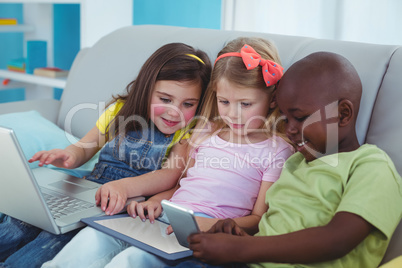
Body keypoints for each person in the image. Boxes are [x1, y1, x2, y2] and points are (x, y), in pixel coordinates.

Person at [42, 37, 295, 268]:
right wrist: (155, 202)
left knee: (132, 260)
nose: (232, 114)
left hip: (206, 230)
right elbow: (183, 182)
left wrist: (212, 225)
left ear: (272, 100)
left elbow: (259, 218)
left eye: (246, 104)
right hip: (168, 215)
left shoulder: (276, 150)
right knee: (94, 238)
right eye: (224, 101)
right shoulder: (205, 131)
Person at [181, 51, 402, 268]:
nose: (291, 130)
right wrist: (237, 236)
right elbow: (273, 228)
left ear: (343, 114)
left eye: (301, 117)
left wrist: (239, 248)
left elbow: (338, 239)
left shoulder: (371, 165)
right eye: (286, 119)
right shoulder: (295, 163)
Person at [0, 42, 212, 268]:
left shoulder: (187, 131)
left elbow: (171, 174)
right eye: (165, 99)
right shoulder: (120, 110)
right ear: (147, 88)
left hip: (123, 206)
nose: (174, 111)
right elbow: (85, 147)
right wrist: (68, 155)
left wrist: (125, 187)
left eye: (187, 104)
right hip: (91, 192)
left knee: (47, 244)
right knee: (19, 223)